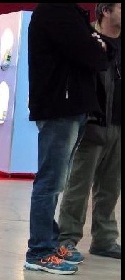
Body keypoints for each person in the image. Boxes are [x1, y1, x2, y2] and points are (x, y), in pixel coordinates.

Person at [24, 3, 110, 275]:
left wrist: (96, 45)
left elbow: (96, 53)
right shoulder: (55, 11)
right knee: (50, 182)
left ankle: (49, 241)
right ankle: (39, 250)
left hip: (73, 107)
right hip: (60, 107)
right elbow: (93, 56)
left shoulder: (70, 12)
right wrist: (96, 44)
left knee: (57, 181)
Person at [58, 2, 121, 261]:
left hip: (119, 126)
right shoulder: (88, 39)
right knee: (78, 186)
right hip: (91, 124)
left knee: (111, 187)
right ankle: (67, 239)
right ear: (105, 11)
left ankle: (105, 240)